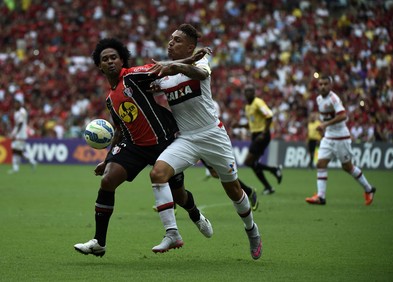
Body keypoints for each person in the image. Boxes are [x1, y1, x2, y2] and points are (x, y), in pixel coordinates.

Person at [74, 38, 213, 257]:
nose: (110, 62)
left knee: (180, 197)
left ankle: (195, 214)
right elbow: (119, 130)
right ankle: (99, 242)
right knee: (107, 180)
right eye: (105, 59)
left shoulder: (131, 76)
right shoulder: (111, 99)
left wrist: (190, 59)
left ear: (121, 60)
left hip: (162, 142)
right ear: (99, 66)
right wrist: (108, 159)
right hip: (135, 146)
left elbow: (161, 68)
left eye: (114, 57)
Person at [148, 23, 262, 260]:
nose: (170, 42)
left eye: (177, 40)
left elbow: (199, 74)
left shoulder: (199, 64)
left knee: (232, 188)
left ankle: (252, 230)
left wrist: (175, 66)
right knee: (158, 173)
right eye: (170, 39)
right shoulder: (165, 75)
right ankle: (172, 233)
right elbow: (149, 87)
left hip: (212, 135)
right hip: (187, 139)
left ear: (190, 47)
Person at [305, 75, 376, 206]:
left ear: (330, 85)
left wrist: (325, 125)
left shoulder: (334, 98)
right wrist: (325, 128)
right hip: (328, 137)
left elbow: (343, 115)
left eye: (325, 84)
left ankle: (369, 189)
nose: (323, 87)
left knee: (347, 167)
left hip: (341, 137)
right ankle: (321, 197)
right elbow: (327, 118)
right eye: (320, 84)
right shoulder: (319, 99)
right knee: (320, 164)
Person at [235, 84, 282, 195]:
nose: (248, 93)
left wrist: (264, 132)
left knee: (248, 162)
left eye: (250, 91)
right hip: (256, 135)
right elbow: (251, 124)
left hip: (262, 135)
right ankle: (269, 185)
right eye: (246, 91)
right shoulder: (247, 107)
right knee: (252, 163)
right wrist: (239, 126)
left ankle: (274, 170)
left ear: (254, 92)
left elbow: (269, 116)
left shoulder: (258, 102)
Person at [8, 98, 37, 174]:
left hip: (20, 134)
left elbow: (20, 124)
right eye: (14, 104)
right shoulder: (18, 112)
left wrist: (16, 134)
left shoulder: (21, 112)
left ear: (20, 104)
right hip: (20, 134)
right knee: (16, 150)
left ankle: (31, 161)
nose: (15, 105)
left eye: (17, 104)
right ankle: (16, 167)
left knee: (17, 150)